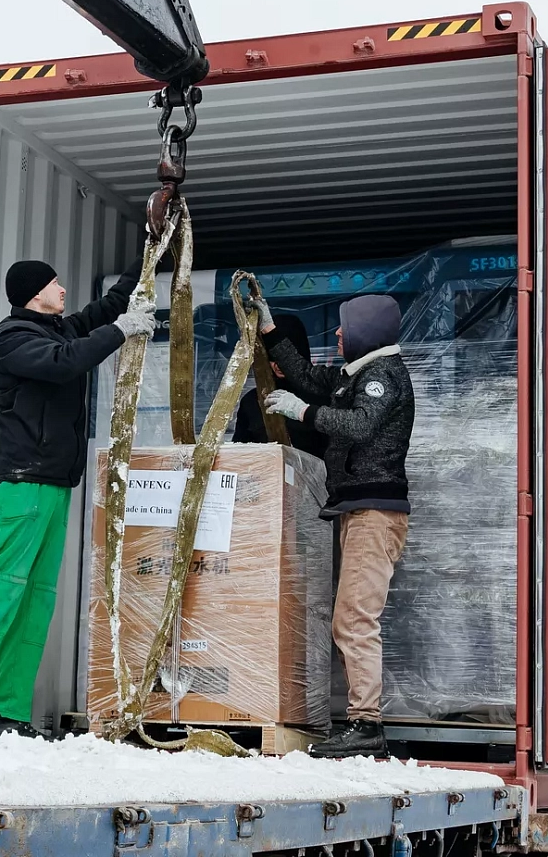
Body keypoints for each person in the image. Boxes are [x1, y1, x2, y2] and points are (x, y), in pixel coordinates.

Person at [0, 259, 155, 738]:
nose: (64, 289)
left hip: (54, 484)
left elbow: (108, 305)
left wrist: (151, 251)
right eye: (55, 284)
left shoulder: (55, 329)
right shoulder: (13, 337)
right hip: (23, 483)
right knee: (1, 590)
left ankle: (8, 712)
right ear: (34, 293)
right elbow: (64, 363)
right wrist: (120, 332)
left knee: (35, 602)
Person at [254, 294, 414, 759]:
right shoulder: (358, 373)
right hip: (355, 509)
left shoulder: (383, 376)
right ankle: (363, 724)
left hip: (373, 513)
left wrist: (302, 413)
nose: (339, 335)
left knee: (353, 619)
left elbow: (361, 426)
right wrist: (269, 331)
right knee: (350, 617)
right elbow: (306, 377)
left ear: (367, 329)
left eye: (345, 328)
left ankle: (366, 726)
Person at [230, 312, 328, 460]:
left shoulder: (324, 396)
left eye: (282, 356)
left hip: (319, 481)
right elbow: (239, 455)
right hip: (264, 480)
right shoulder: (252, 401)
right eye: (270, 357)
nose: (278, 364)